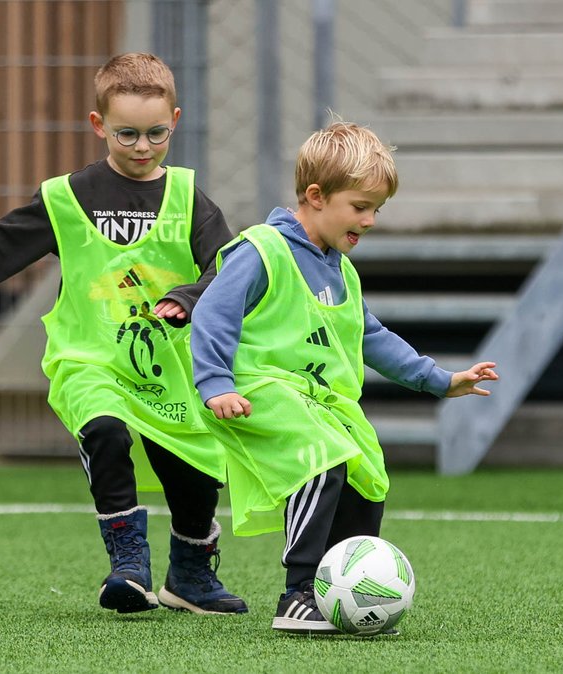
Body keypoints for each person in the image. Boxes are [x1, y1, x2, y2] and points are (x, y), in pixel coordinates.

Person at [0, 52, 246, 616]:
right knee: (105, 432)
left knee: (194, 467)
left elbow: (227, 267)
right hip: (91, 359)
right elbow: (2, 242)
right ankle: (129, 566)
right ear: (98, 124)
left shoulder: (190, 199)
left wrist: (187, 298)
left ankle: (191, 576)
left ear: (175, 121)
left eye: (156, 133)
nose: (141, 146)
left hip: (169, 367)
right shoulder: (67, 196)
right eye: (126, 133)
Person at [190, 121, 498, 634]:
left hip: (321, 401)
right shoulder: (262, 249)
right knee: (323, 457)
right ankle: (300, 594)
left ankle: (341, 597)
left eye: (378, 208)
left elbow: (370, 338)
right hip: (258, 390)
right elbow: (213, 314)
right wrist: (216, 383)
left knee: (367, 471)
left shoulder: (342, 271)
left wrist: (441, 380)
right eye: (361, 206)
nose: (371, 220)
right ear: (315, 196)